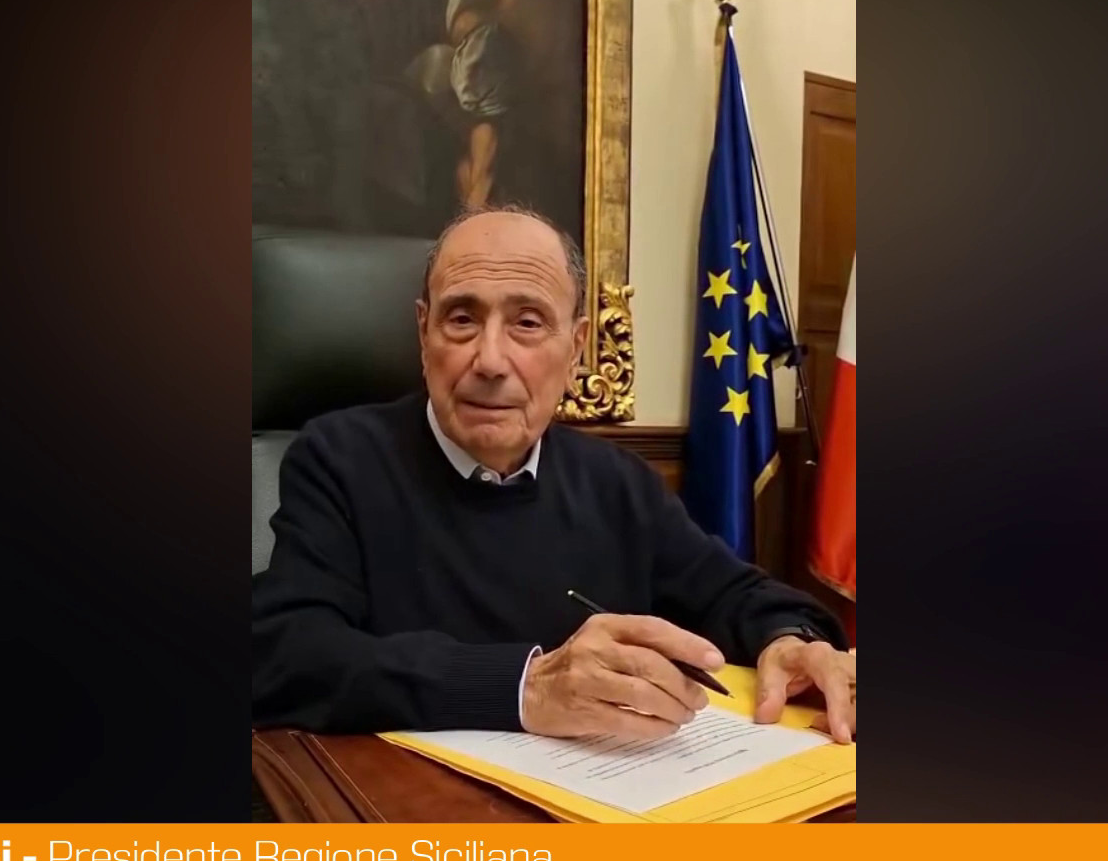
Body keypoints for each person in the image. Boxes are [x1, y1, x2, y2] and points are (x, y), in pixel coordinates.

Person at [252, 206, 856, 743]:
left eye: (528, 322)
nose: (491, 360)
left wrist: (792, 640)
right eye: (461, 318)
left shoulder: (617, 481)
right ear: (423, 332)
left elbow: (735, 593)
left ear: (575, 347)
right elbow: (285, 654)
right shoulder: (339, 457)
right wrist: (525, 686)